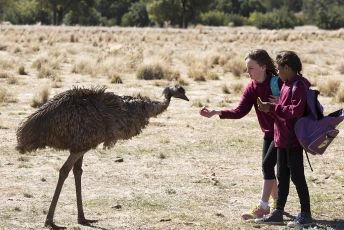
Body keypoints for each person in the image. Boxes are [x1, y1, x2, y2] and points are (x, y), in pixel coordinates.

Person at [200, 49, 281, 220]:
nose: (247, 72)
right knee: (268, 167)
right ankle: (278, 204)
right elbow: (239, 111)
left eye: (251, 68)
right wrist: (216, 112)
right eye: (247, 68)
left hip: (284, 132)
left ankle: (263, 206)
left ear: (263, 67)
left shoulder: (278, 83)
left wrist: (280, 102)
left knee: (268, 167)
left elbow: (294, 103)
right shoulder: (252, 87)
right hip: (268, 133)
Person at [255, 51, 313, 228]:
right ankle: (278, 213)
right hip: (281, 138)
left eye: (279, 68)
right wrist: (273, 107)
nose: (277, 72)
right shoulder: (287, 84)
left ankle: (306, 214)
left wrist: (272, 107)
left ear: (287, 68)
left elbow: (294, 110)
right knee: (282, 176)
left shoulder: (299, 86)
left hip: (293, 141)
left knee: (297, 177)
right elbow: (285, 108)